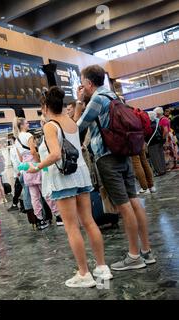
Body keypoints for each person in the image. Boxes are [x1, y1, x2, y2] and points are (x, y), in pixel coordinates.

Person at [73, 64, 156, 271]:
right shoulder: (113, 96)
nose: (82, 87)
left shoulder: (97, 100)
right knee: (134, 200)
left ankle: (134, 256)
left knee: (123, 205)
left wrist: (78, 102)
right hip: (124, 154)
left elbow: (76, 127)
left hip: (107, 157)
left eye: (83, 83)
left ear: (89, 83)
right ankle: (146, 250)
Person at [28, 86, 111, 288]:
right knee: (89, 222)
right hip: (81, 174)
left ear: (46, 107)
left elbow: (55, 154)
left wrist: (36, 166)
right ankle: (102, 268)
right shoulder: (71, 122)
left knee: (72, 227)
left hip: (63, 177)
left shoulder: (50, 125)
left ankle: (84, 274)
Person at [13, 117, 60, 230]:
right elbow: (33, 151)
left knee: (34, 196)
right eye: (27, 123)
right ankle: (58, 216)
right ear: (22, 125)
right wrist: (40, 163)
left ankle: (39, 220)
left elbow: (20, 157)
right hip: (35, 165)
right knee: (46, 191)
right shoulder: (28, 136)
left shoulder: (16, 139)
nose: (28, 124)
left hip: (26, 168)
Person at [147, 111, 167, 176]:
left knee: (155, 158)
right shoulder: (157, 123)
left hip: (152, 143)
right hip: (159, 141)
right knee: (161, 156)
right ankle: (163, 169)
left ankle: (160, 171)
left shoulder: (149, 125)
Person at [8, 137, 23, 212]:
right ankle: (20, 204)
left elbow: (14, 161)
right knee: (21, 188)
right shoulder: (21, 146)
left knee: (18, 189)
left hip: (19, 171)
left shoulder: (13, 149)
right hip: (24, 169)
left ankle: (15, 204)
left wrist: (17, 171)